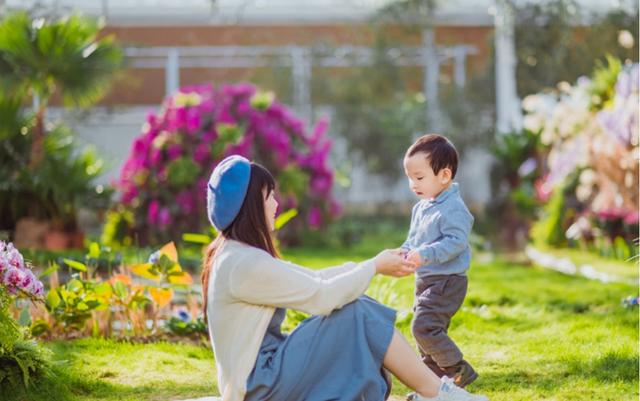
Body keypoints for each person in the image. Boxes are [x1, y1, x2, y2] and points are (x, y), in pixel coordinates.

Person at [201, 154, 489, 401]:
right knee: (358, 311)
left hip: (262, 377)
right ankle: (436, 392)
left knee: (357, 306)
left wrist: (371, 264)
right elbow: (322, 298)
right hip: (259, 386)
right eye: (269, 197)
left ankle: (434, 390)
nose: (276, 204)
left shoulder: (235, 255)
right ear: (251, 207)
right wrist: (374, 267)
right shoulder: (243, 264)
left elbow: (313, 278)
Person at [401, 134, 478, 388]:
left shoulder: (453, 208)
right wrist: (403, 253)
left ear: (444, 176)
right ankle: (434, 387)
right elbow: (413, 240)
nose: (413, 184)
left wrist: (426, 254)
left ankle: (457, 368)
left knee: (424, 327)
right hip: (426, 280)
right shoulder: (421, 207)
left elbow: (456, 242)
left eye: (419, 177)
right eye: (410, 177)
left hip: (448, 281)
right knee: (425, 338)